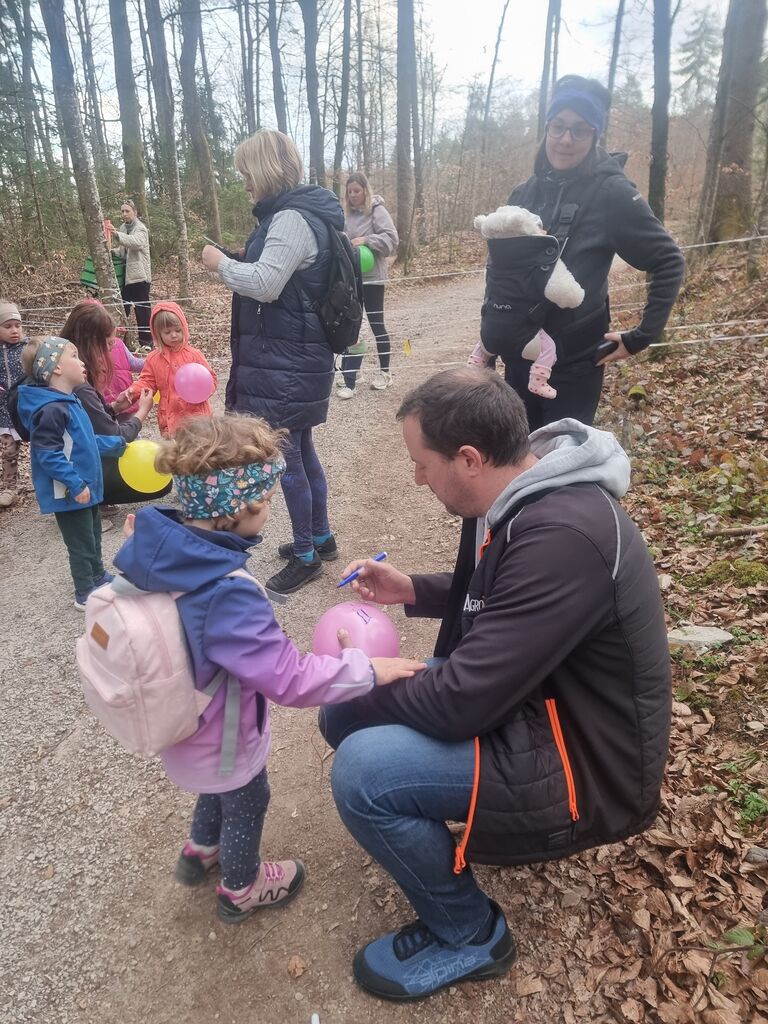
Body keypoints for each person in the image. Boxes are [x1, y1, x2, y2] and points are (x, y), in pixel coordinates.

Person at [319, 368, 672, 1001]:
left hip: (586, 761)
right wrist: (413, 590)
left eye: (422, 464)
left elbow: (460, 704)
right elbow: (503, 603)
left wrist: (365, 677)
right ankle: (429, 824)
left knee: (363, 771)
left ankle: (471, 935)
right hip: (535, 700)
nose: (417, 478)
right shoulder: (512, 495)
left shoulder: (564, 536)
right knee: (341, 716)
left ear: (469, 458)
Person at [113, 414, 425, 923]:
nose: (271, 508)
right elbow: (289, 678)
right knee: (248, 796)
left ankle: (201, 848)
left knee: (218, 785)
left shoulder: (159, 550)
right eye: (270, 498)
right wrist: (364, 669)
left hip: (181, 718)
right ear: (245, 507)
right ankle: (242, 887)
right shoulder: (226, 593)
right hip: (223, 731)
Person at [201, 129, 343, 596]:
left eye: (247, 173)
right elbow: (280, 273)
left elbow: (265, 284)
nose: (244, 182)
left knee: (286, 459)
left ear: (265, 171)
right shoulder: (298, 215)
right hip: (294, 358)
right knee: (302, 450)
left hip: (287, 362)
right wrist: (240, 257)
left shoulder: (290, 219)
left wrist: (219, 264)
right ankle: (320, 538)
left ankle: (305, 556)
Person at [499, 74, 684, 429]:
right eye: (558, 126)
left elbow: (668, 260)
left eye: (580, 129)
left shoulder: (611, 193)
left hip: (573, 368)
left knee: (562, 461)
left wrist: (641, 336)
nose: (566, 139)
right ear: (547, 129)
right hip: (519, 361)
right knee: (515, 455)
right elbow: (504, 272)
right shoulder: (525, 194)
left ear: (594, 135)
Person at [15, 337, 125, 610]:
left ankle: (97, 575)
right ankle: (85, 591)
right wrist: (74, 484)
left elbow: (83, 441)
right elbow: (47, 454)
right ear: (56, 368)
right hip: (68, 491)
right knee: (80, 542)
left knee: (93, 535)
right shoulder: (51, 409)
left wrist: (116, 444)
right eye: (74, 356)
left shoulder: (69, 401)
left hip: (84, 487)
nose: (82, 362)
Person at [337, 173, 399, 399]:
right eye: (350, 191)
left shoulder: (377, 210)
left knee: (376, 324)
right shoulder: (346, 215)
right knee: (353, 324)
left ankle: (385, 372)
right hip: (352, 278)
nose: (353, 195)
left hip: (373, 277)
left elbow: (392, 239)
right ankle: (353, 373)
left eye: (357, 190)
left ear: (365, 190)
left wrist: (366, 240)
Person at [115, 301, 217, 438]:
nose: (173, 335)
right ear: (158, 334)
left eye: (177, 330)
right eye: (167, 332)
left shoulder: (194, 355)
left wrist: (203, 390)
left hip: (198, 420)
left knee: (200, 450)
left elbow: (211, 378)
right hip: (171, 422)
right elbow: (147, 381)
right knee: (175, 451)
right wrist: (134, 391)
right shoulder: (153, 359)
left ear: (184, 328)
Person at [59, 301, 154, 445]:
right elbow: (114, 436)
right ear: (91, 342)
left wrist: (115, 407)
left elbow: (96, 419)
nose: (111, 349)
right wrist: (143, 411)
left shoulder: (68, 378)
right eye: (109, 343)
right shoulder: (80, 388)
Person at [106, 199, 152, 346]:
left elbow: (136, 243)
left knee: (142, 311)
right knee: (122, 308)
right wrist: (111, 252)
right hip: (126, 277)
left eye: (127, 211)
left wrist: (116, 234)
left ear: (135, 212)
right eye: (122, 211)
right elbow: (123, 251)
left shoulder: (141, 228)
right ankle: (119, 342)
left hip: (140, 277)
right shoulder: (123, 228)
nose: (124, 214)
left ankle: (146, 342)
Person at [0, 301, 26, 508]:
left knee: (42, 445)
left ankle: (50, 481)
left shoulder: (28, 348)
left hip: (28, 407)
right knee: (8, 451)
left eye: (17, 325)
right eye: (7, 326)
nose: (14, 330)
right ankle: (9, 488)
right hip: (5, 411)